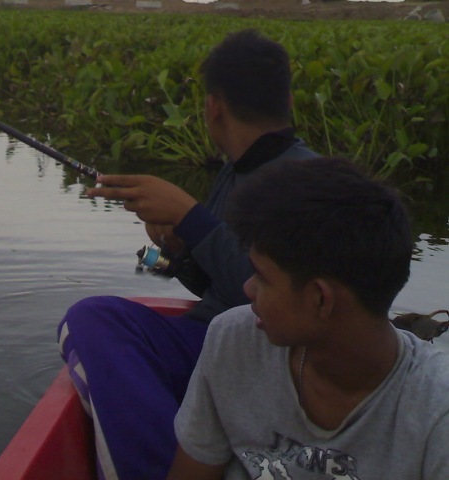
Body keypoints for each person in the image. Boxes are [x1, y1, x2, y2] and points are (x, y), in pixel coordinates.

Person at [57, 29, 318, 480]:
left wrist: (191, 217)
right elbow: (218, 283)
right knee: (104, 320)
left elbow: (269, 300)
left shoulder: (308, 179)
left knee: (91, 320)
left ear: (213, 107)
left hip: (263, 351)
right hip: (214, 339)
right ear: (289, 101)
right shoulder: (235, 172)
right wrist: (178, 251)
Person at [168, 156, 449, 479]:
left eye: (262, 277)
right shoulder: (234, 340)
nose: (248, 289)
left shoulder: (437, 411)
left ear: (320, 299)